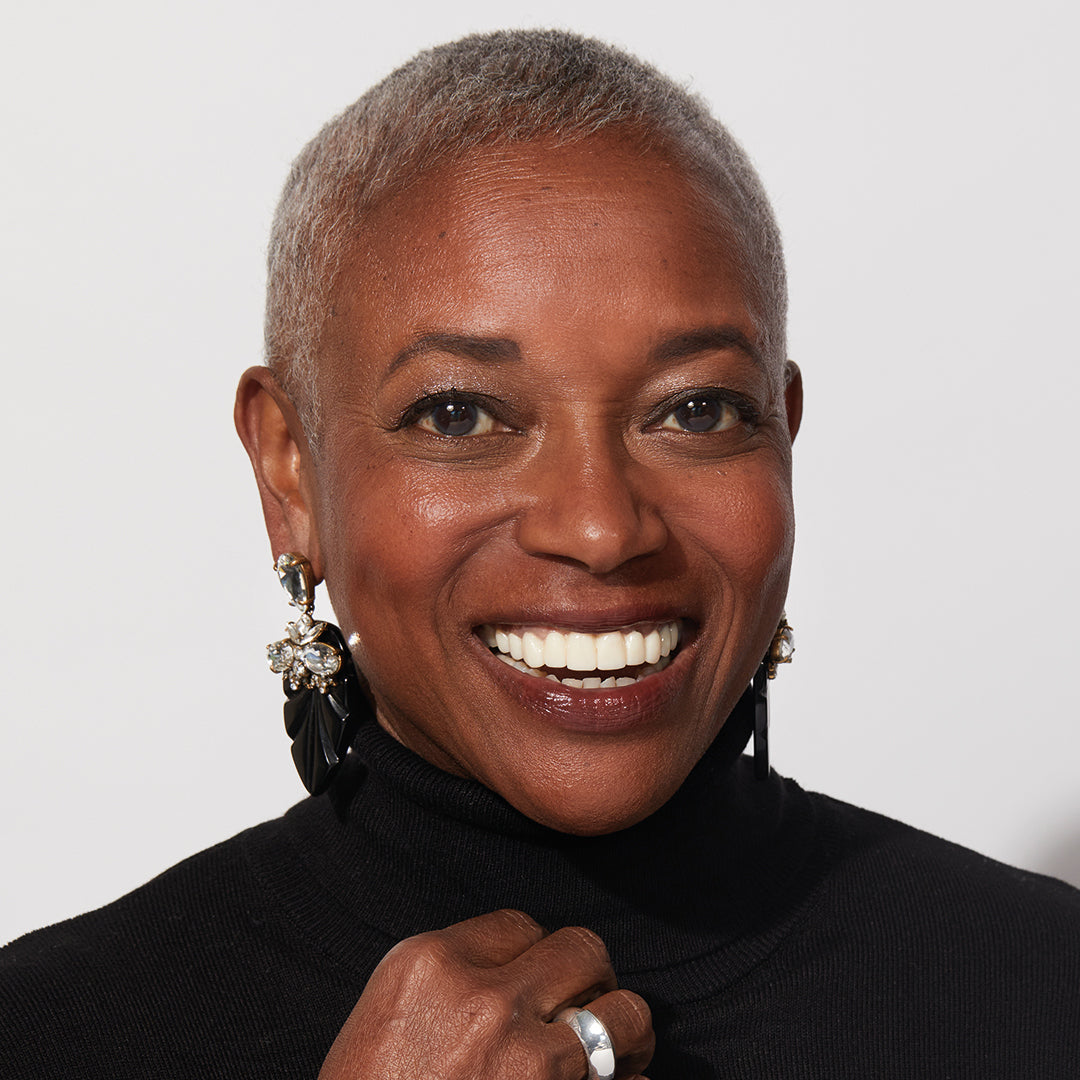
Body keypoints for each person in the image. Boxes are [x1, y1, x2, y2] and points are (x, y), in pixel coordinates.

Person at [2, 28, 1078, 1080]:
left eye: (696, 410)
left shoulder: (1045, 989)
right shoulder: (48, 1035)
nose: (601, 530)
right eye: (460, 415)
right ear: (290, 473)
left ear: (782, 437)